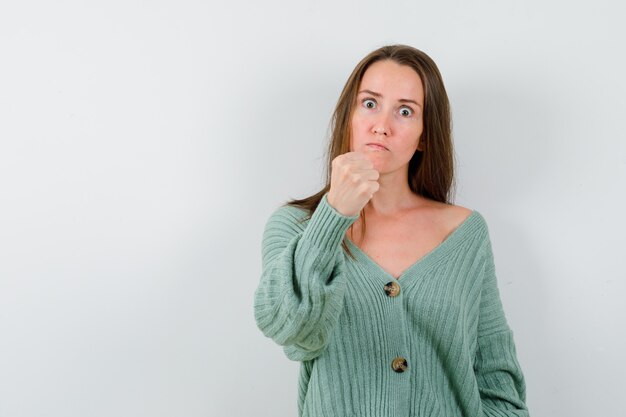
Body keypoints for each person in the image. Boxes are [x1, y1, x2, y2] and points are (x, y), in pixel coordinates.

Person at [253, 44, 530, 417]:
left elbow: (496, 378)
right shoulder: (295, 227)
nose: (382, 125)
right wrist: (333, 215)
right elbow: (292, 330)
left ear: (424, 135)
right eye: (369, 103)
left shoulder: (465, 233)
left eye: (405, 111)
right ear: (348, 116)